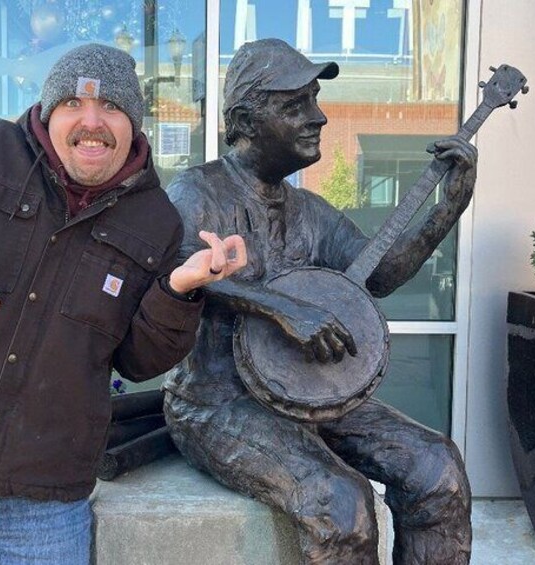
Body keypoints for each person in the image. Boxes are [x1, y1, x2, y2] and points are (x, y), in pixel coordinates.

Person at [0, 43, 245, 564]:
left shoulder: (156, 221)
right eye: (73, 104)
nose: (91, 122)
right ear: (48, 110)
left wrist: (180, 289)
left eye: (111, 107)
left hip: (44, 503)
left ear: (133, 123)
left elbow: (138, 360)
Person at [163, 38, 474, 565]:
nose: (319, 117)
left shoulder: (311, 210)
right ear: (245, 121)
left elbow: (381, 275)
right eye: (295, 105)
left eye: (314, 99)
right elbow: (179, 268)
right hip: (218, 403)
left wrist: (448, 208)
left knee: (436, 466)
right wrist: (282, 308)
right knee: (340, 501)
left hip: (310, 395)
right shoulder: (199, 190)